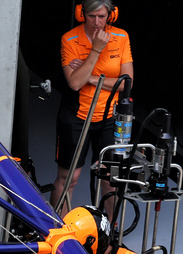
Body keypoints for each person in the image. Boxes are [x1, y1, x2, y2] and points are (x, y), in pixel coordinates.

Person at [49, 0, 133, 216]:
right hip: (76, 117)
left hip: (110, 118)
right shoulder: (70, 39)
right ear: (81, 14)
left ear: (111, 16)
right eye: (92, 16)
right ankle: (60, 233)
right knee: (69, 179)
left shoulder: (121, 37)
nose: (97, 22)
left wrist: (92, 78)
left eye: (102, 17)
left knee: (110, 180)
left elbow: (126, 84)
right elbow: (75, 83)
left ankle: (109, 235)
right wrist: (95, 50)